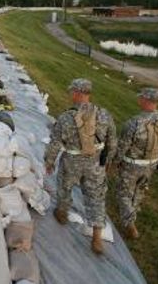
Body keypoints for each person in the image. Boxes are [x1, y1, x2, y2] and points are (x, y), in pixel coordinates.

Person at [44, 78, 117, 255]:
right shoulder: (104, 114)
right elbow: (112, 142)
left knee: (65, 187)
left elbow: (55, 143)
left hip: (72, 162)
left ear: (77, 93)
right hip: (95, 162)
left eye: (72, 92)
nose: (71, 95)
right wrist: (108, 161)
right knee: (96, 197)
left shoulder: (66, 117)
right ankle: (97, 237)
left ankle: (62, 213)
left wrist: (49, 161)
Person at [115, 87, 158, 239]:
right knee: (139, 190)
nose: (139, 99)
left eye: (141, 97)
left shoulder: (134, 123)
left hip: (132, 164)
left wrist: (115, 160)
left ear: (146, 100)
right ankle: (132, 212)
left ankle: (130, 224)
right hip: (151, 163)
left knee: (124, 193)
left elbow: (123, 146)